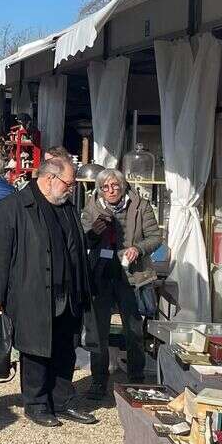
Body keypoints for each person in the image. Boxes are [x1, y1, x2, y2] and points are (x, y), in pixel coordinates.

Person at [0, 156, 97, 428]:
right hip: (32, 291)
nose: (71, 189)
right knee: (36, 349)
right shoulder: (12, 206)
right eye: (69, 184)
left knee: (65, 348)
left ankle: (62, 399)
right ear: (50, 179)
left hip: (68, 293)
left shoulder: (67, 206)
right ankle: (36, 403)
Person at [80, 168, 162, 398]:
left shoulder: (140, 205)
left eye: (115, 185)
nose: (111, 191)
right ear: (100, 190)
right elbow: (82, 237)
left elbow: (155, 237)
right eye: (105, 187)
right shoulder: (92, 206)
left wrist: (139, 248)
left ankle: (135, 378)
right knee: (98, 330)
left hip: (132, 275)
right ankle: (98, 381)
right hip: (102, 274)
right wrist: (94, 233)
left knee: (134, 329)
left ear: (123, 185)